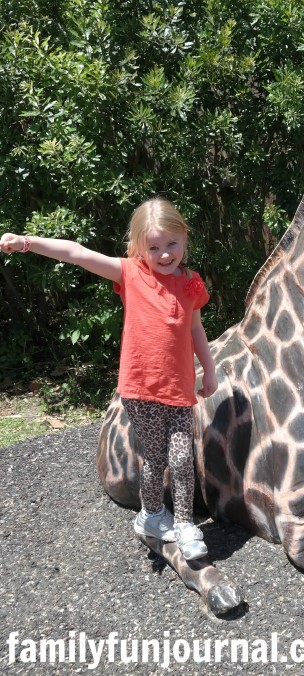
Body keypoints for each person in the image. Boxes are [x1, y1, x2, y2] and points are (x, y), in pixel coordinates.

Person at [0, 197, 218, 561]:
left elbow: (195, 328)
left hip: (179, 388)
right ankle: (151, 516)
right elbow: (76, 253)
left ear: (185, 240)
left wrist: (208, 369)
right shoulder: (131, 273)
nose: (165, 254)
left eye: (172, 244)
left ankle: (184, 523)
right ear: (138, 248)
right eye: (154, 247)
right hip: (141, 390)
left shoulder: (191, 283)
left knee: (182, 458)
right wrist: (27, 242)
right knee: (157, 457)